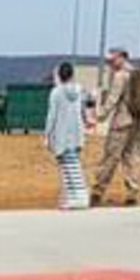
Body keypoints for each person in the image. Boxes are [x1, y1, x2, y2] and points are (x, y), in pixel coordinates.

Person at [90, 44, 140, 206]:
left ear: (121, 57)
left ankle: (98, 191)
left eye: (112, 59)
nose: (110, 63)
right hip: (137, 121)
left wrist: (99, 116)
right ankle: (133, 191)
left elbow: (113, 100)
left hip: (121, 122)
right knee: (131, 156)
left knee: (111, 156)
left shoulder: (120, 76)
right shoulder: (136, 74)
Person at [45, 60, 90, 209]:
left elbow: (52, 116)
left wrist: (47, 135)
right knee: (72, 165)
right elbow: (84, 111)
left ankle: (81, 198)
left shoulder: (56, 92)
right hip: (77, 134)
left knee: (70, 167)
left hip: (62, 135)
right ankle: (73, 198)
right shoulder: (79, 91)